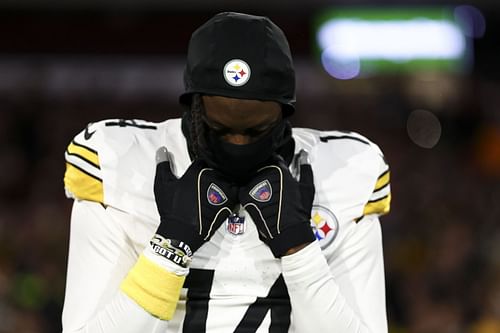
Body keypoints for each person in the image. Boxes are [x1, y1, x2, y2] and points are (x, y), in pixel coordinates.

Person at [61, 11, 391, 333]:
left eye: (256, 131)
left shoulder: (346, 172)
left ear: (285, 114)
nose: (237, 143)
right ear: (191, 108)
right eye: (218, 128)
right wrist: (172, 244)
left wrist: (298, 248)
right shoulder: (118, 162)